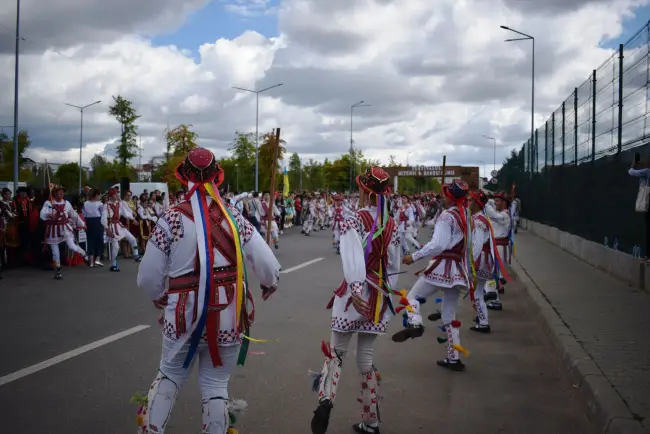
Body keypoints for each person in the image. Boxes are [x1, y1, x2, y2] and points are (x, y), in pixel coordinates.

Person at [136, 148, 281, 434]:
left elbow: (147, 277)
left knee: (169, 376)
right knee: (216, 384)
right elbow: (267, 263)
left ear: (184, 178)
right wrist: (269, 282)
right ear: (217, 177)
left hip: (181, 315)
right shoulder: (235, 218)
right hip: (226, 316)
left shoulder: (170, 219)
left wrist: (158, 296)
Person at [310, 167, 400, 434]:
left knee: (336, 353)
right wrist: (385, 296)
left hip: (354, 295)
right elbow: (392, 265)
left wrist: (357, 291)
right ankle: (371, 421)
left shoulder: (353, 219)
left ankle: (325, 402)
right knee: (366, 357)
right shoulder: (392, 224)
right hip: (377, 297)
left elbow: (351, 257)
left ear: (364, 190)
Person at [392, 179, 471, 371]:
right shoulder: (465, 214)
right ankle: (454, 358)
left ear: (450, 196)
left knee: (411, 298)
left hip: (442, 266)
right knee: (449, 315)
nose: (442, 197)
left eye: (445, 194)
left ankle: (416, 323)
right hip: (458, 269)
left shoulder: (447, 216)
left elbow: (438, 245)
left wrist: (415, 256)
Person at [468, 190, 510, 333]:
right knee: (478, 291)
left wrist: (469, 262)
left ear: (476, 204)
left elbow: (478, 244)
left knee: (476, 293)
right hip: (486, 257)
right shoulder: (479, 218)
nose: (468, 203)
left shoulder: (480, 220)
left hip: (483, 258)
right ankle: (483, 318)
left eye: (471, 200)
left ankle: (484, 320)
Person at [40, 186, 87, 280]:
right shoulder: (48, 203)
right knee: (55, 251)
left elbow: (74, 215)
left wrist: (82, 224)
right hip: (53, 229)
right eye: (59, 192)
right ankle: (58, 269)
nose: (62, 193)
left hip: (65, 228)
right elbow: (42, 214)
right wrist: (49, 214)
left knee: (72, 246)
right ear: (54, 193)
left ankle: (83, 253)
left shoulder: (67, 203)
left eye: (62, 192)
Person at [483, 192, 512, 311]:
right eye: (494, 200)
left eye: (498, 201)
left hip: (500, 247)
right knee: (492, 274)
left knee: (492, 273)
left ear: (504, 203)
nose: (495, 203)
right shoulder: (501, 213)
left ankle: (495, 300)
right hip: (496, 246)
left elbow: (493, 215)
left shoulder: (505, 215)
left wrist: (485, 202)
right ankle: (495, 299)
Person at [103, 188, 142, 271]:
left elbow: (125, 213)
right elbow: (103, 219)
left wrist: (132, 219)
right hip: (112, 227)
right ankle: (114, 265)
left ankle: (136, 255)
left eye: (117, 194)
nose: (117, 195)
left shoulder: (119, 204)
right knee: (116, 247)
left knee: (132, 239)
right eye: (115, 194)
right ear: (111, 196)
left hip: (119, 226)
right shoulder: (106, 206)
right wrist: (107, 229)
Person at [83, 188, 105, 267]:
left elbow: (84, 214)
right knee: (95, 241)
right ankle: (93, 260)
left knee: (96, 241)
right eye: (99, 195)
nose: (100, 197)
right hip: (95, 222)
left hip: (93, 221)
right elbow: (103, 214)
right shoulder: (98, 204)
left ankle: (95, 260)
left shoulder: (98, 203)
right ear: (96, 195)